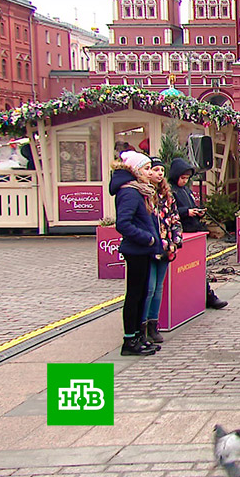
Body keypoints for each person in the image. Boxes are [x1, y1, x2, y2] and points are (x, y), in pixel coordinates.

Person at [110, 151, 162, 356]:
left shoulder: (138, 190)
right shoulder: (129, 192)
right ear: (135, 170)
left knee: (141, 295)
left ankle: (139, 336)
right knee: (134, 295)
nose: (149, 173)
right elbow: (123, 223)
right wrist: (147, 238)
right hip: (136, 249)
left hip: (143, 250)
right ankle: (130, 339)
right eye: (146, 169)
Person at [168, 158, 228, 310]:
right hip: (182, 232)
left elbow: (190, 206)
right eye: (182, 178)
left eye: (187, 178)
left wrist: (197, 212)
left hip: (194, 231)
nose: (185, 181)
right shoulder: (170, 191)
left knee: (198, 268)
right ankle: (204, 297)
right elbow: (169, 212)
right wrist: (186, 212)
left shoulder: (186, 190)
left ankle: (207, 296)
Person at [143, 157, 183, 346]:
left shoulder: (167, 195)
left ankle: (153, 325)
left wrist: (175, 241)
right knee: (149, 288)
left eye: (161, 170)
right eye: (155, 169)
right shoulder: (143, 194)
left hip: (165, 247)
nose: (159, 173)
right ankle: (142, 327)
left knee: (158, 288)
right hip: (150, 248)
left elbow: (175, 219)